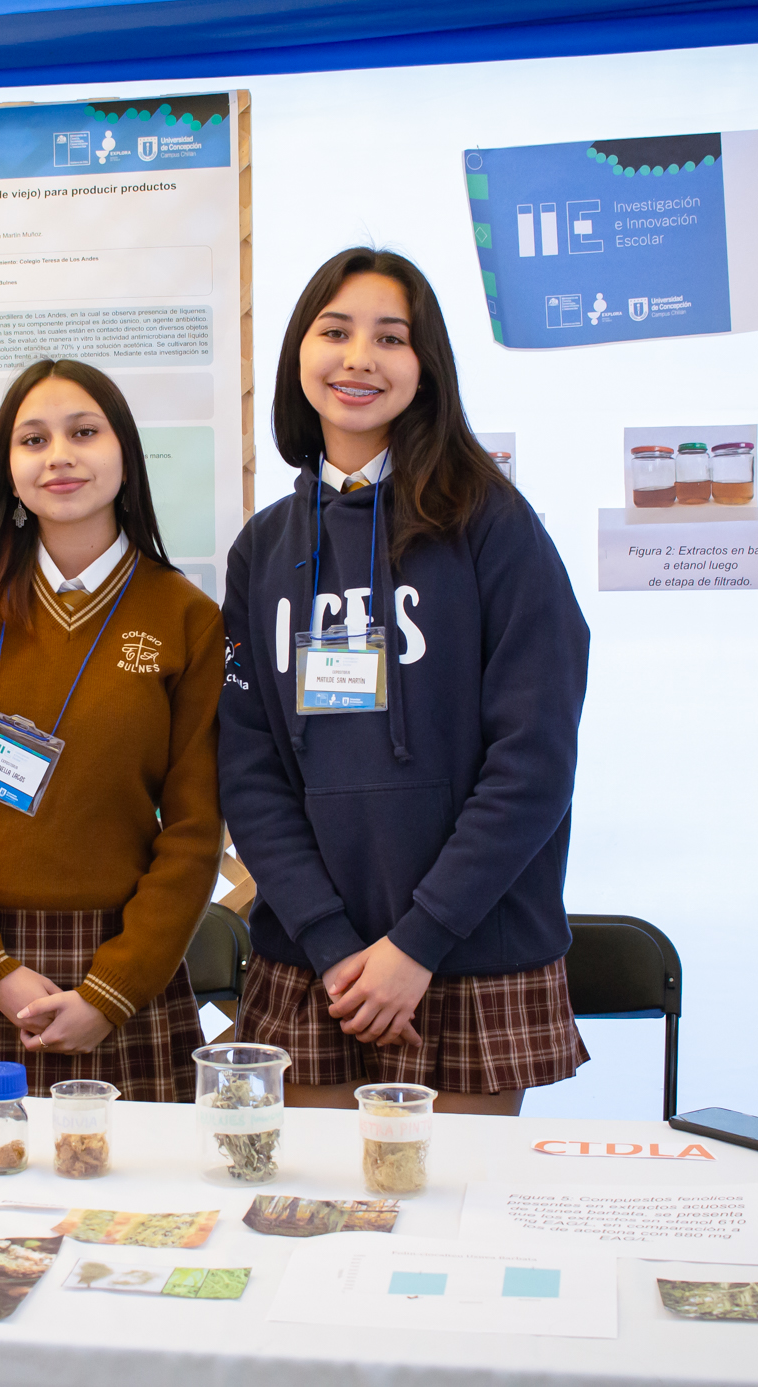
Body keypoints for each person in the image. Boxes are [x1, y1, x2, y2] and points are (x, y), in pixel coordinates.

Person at [219, 248, 591, 1116]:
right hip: (315, 962)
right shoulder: (264, 549)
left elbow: (534, 759)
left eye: (391, 338)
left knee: (454, 1203)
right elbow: (248, 768)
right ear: (299, 351)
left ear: (426, 369)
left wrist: (418, 941)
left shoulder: (492, 523)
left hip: (470, 950)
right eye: (335, 332)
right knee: (303, 1198)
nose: (359, 359)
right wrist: (329, 940)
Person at [0, 358, 225, 1102]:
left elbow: (194, 830)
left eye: (84, 432)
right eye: (33, 439)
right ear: (9, 471)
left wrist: (112, 990)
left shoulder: (185, 618)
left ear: (126, 454)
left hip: (117, 974)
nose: (58, 455)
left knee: (126, 1180)